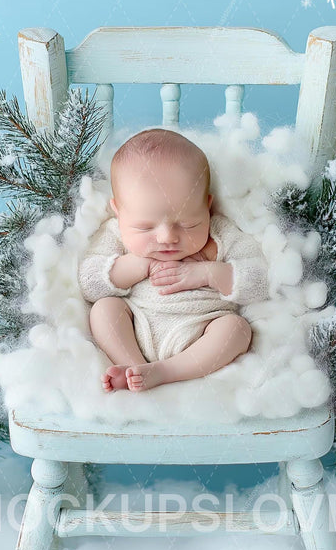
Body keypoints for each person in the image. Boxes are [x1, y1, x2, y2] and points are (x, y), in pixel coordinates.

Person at [78, 128, 269, 392]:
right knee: (103, 309)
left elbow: (260, 281)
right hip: (139, 324)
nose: (167, 237)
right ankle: (134, 367)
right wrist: (137, 266)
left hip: (202, 330)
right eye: (145, 228)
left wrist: (207, 273)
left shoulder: (221, 233)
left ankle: (164, 372)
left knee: (237, 329)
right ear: (118, 212)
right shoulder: (115, 234)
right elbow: (89, 282)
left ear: (207, 206)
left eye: (189, 224)